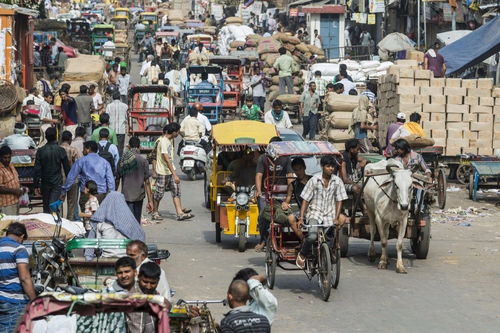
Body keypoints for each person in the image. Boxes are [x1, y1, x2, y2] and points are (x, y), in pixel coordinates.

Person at [296, 155, 348, 269]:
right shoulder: (314, 180)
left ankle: (326, 259)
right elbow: (306, 200)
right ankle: (302, 254)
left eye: (332, 167)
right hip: (315, 213)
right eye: (328, 166)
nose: (331, 169)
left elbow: (339, 200)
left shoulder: (337, 181)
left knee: (331, 238)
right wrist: (300, 217)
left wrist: (336, 217)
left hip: (330, 215)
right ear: (322, 166)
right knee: (312, 236)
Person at [254, 136, 293, 251]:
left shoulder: (286, 158)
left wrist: (290, 194)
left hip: (282, 193)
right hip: (266, 193)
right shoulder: (263, 158)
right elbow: (259, 175)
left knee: (287, 214)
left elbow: (290, 176)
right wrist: (259, 191)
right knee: (262, 216)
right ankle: (263, 240)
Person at [85, 192, 146, 260]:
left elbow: (89, 248)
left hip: (105, 259)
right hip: (126, 259)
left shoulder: (100, 223)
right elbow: (141, 239)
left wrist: (89, 258)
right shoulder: (130, 223)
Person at [152, 123, 193, 221]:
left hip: (170, 170)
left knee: (176, 192)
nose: (178, 133)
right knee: (159, 194)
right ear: (174, 132)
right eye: (177, 131)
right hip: (162, 171)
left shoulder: (169, 140)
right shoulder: (163, 141)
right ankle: (155, 212)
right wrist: (175, 174)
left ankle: (180, 213)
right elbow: (166, 158)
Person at [0, 223, 36, 333]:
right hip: (14, 301)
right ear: (21, 236)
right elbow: (24, 278)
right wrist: (34, 300)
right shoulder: (19, 249)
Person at [61, 140, 115, 212]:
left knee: (86, 217)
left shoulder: (81, 161)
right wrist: (111, 194)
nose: (82, 151)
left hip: (87, 194)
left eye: (83, 149)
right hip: (101, 194)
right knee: (99, 217)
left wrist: (64, 190)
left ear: (88, 149)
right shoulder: (105, 162)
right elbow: (110, 180)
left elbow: (71, 176)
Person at [34, 127, 71, 213]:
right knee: (53, 205)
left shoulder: (40, 151)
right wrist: (67, 186)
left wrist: (36, 185)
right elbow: (67, 169)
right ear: (56, 136)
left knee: (46, 207)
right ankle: (55, 223)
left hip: (45, 183)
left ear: (46, 137)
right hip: (57, 183)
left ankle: (48, 222)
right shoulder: (61, 150)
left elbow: (37, 169)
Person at [119, 137, 153, 222]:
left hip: (126, 194)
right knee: (136, 219)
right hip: (139, 194)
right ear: (139, 146)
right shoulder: (143, 160)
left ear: (129, 146)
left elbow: (117, 177)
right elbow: (147, 182)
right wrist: (150, 200)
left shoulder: (123, 159)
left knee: (128, 219)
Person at [281, 158, 311, 241]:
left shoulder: (312, 180)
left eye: (300, 169)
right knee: (290, 218)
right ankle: (303, 240)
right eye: (296, 170)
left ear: (304, 167)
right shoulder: (293, 184)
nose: (298, 172)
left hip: (315, 210)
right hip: (301, 211)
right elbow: (288, 198)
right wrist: (285, 203)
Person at [60, 130, 81, 220]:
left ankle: (59, 219)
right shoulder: (73, 150)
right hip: (73, 180)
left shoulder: (58, 149)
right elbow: (78, 164)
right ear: (70, 139)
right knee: (72, 203)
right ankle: (70, 221)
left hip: (60, 179)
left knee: (60, 201)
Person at [0, 147, 23, 215]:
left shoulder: (11, 165)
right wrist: (15, 191)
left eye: (9, 157)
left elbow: (14, 179)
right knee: (8, 224)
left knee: (14, 223)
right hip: (6, 205)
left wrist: (21, 188)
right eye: (5, 158)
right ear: (0, 157)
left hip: (15, 202)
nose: (7, 160)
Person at [106, 92, 128, 156]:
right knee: (120, 148)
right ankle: (119, 162)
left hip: (111, 130)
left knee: (112, 147)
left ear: (112, 97)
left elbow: (107, 117)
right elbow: (127, 118)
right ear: (120, 98)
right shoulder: (125, 106)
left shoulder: (109, 106)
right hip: (121, 130)